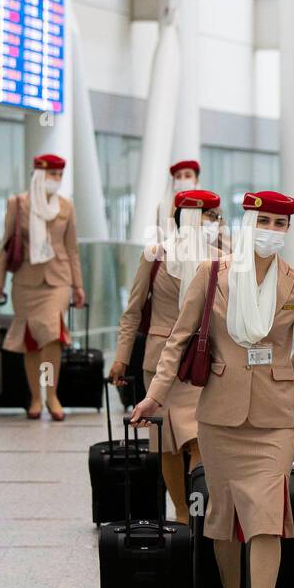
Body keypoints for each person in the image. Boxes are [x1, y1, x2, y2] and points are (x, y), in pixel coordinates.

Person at [131, 191, 294, 588]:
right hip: (218, 413)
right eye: (266, 221)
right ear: (249, 220)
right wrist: (156, 395)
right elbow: (176, 340)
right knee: (224, 516)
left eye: (282, 224)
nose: (273, 231)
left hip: (276, 420)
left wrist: (287, 375)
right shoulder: (212, 274)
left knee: (267, 517)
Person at [109, 189, 224, 523]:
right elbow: (132, 312)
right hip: (160, 363)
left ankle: (202, 507)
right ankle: (182, 511)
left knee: (199, 436)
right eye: (209, 216)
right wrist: (121, 356)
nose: (215, 224)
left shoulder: (221, 258)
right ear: (188, 218)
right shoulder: (156, 256)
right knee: (167, 443)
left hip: (202, 360)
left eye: (217, 218)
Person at [0, 154, 85, 421]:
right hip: (26, 280)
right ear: (38, 175)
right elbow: (5, 245)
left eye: (59, 175)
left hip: (58, 280)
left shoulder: (66, 206)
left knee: (53, 334)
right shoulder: (18, 204)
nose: (56, 180)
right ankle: (35, 397)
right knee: (30, 339)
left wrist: (78, 285)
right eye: (51, 174)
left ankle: (52, 395)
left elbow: (72, 249)